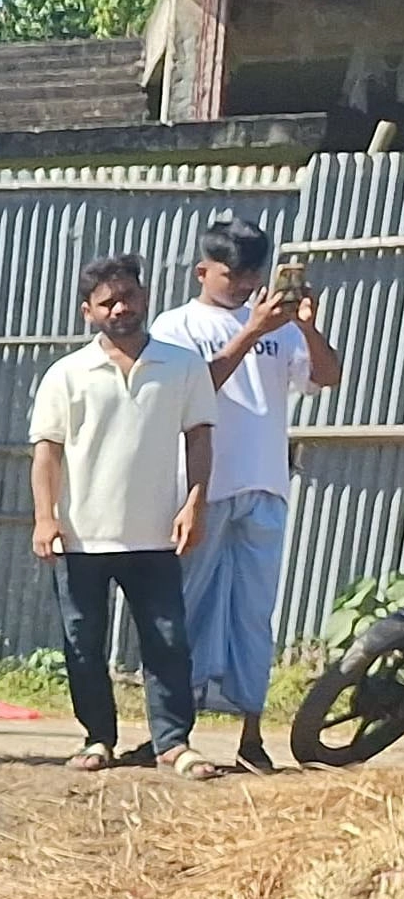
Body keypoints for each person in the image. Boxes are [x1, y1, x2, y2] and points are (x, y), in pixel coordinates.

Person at [152, 216, 344, 771]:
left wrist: (306, 328)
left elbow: (327, 377)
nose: (242, 285)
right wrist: (252, 331)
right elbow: (193, 390)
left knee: (253, 614)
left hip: (265, 483)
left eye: (251, 275)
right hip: (201, 489)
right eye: (230, 275)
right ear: (202, 272)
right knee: (186, 608)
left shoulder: (280, 325)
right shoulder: (177, 325)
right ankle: (174, 734)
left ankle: (251, 737)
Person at [31, 254, 220, 778]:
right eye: (107, 302)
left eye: (129, 297)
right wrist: (45, 517)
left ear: (145, 298)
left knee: (167, 642)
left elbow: (199, 438)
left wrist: (195, 503)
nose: (120, 309)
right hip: (82, 536)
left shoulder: (182, 366)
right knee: (82, 644)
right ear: (87, 312)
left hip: (155, 534)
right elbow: (47, 451)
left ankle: (173, 744)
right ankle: (98, 738)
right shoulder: (67, 374)